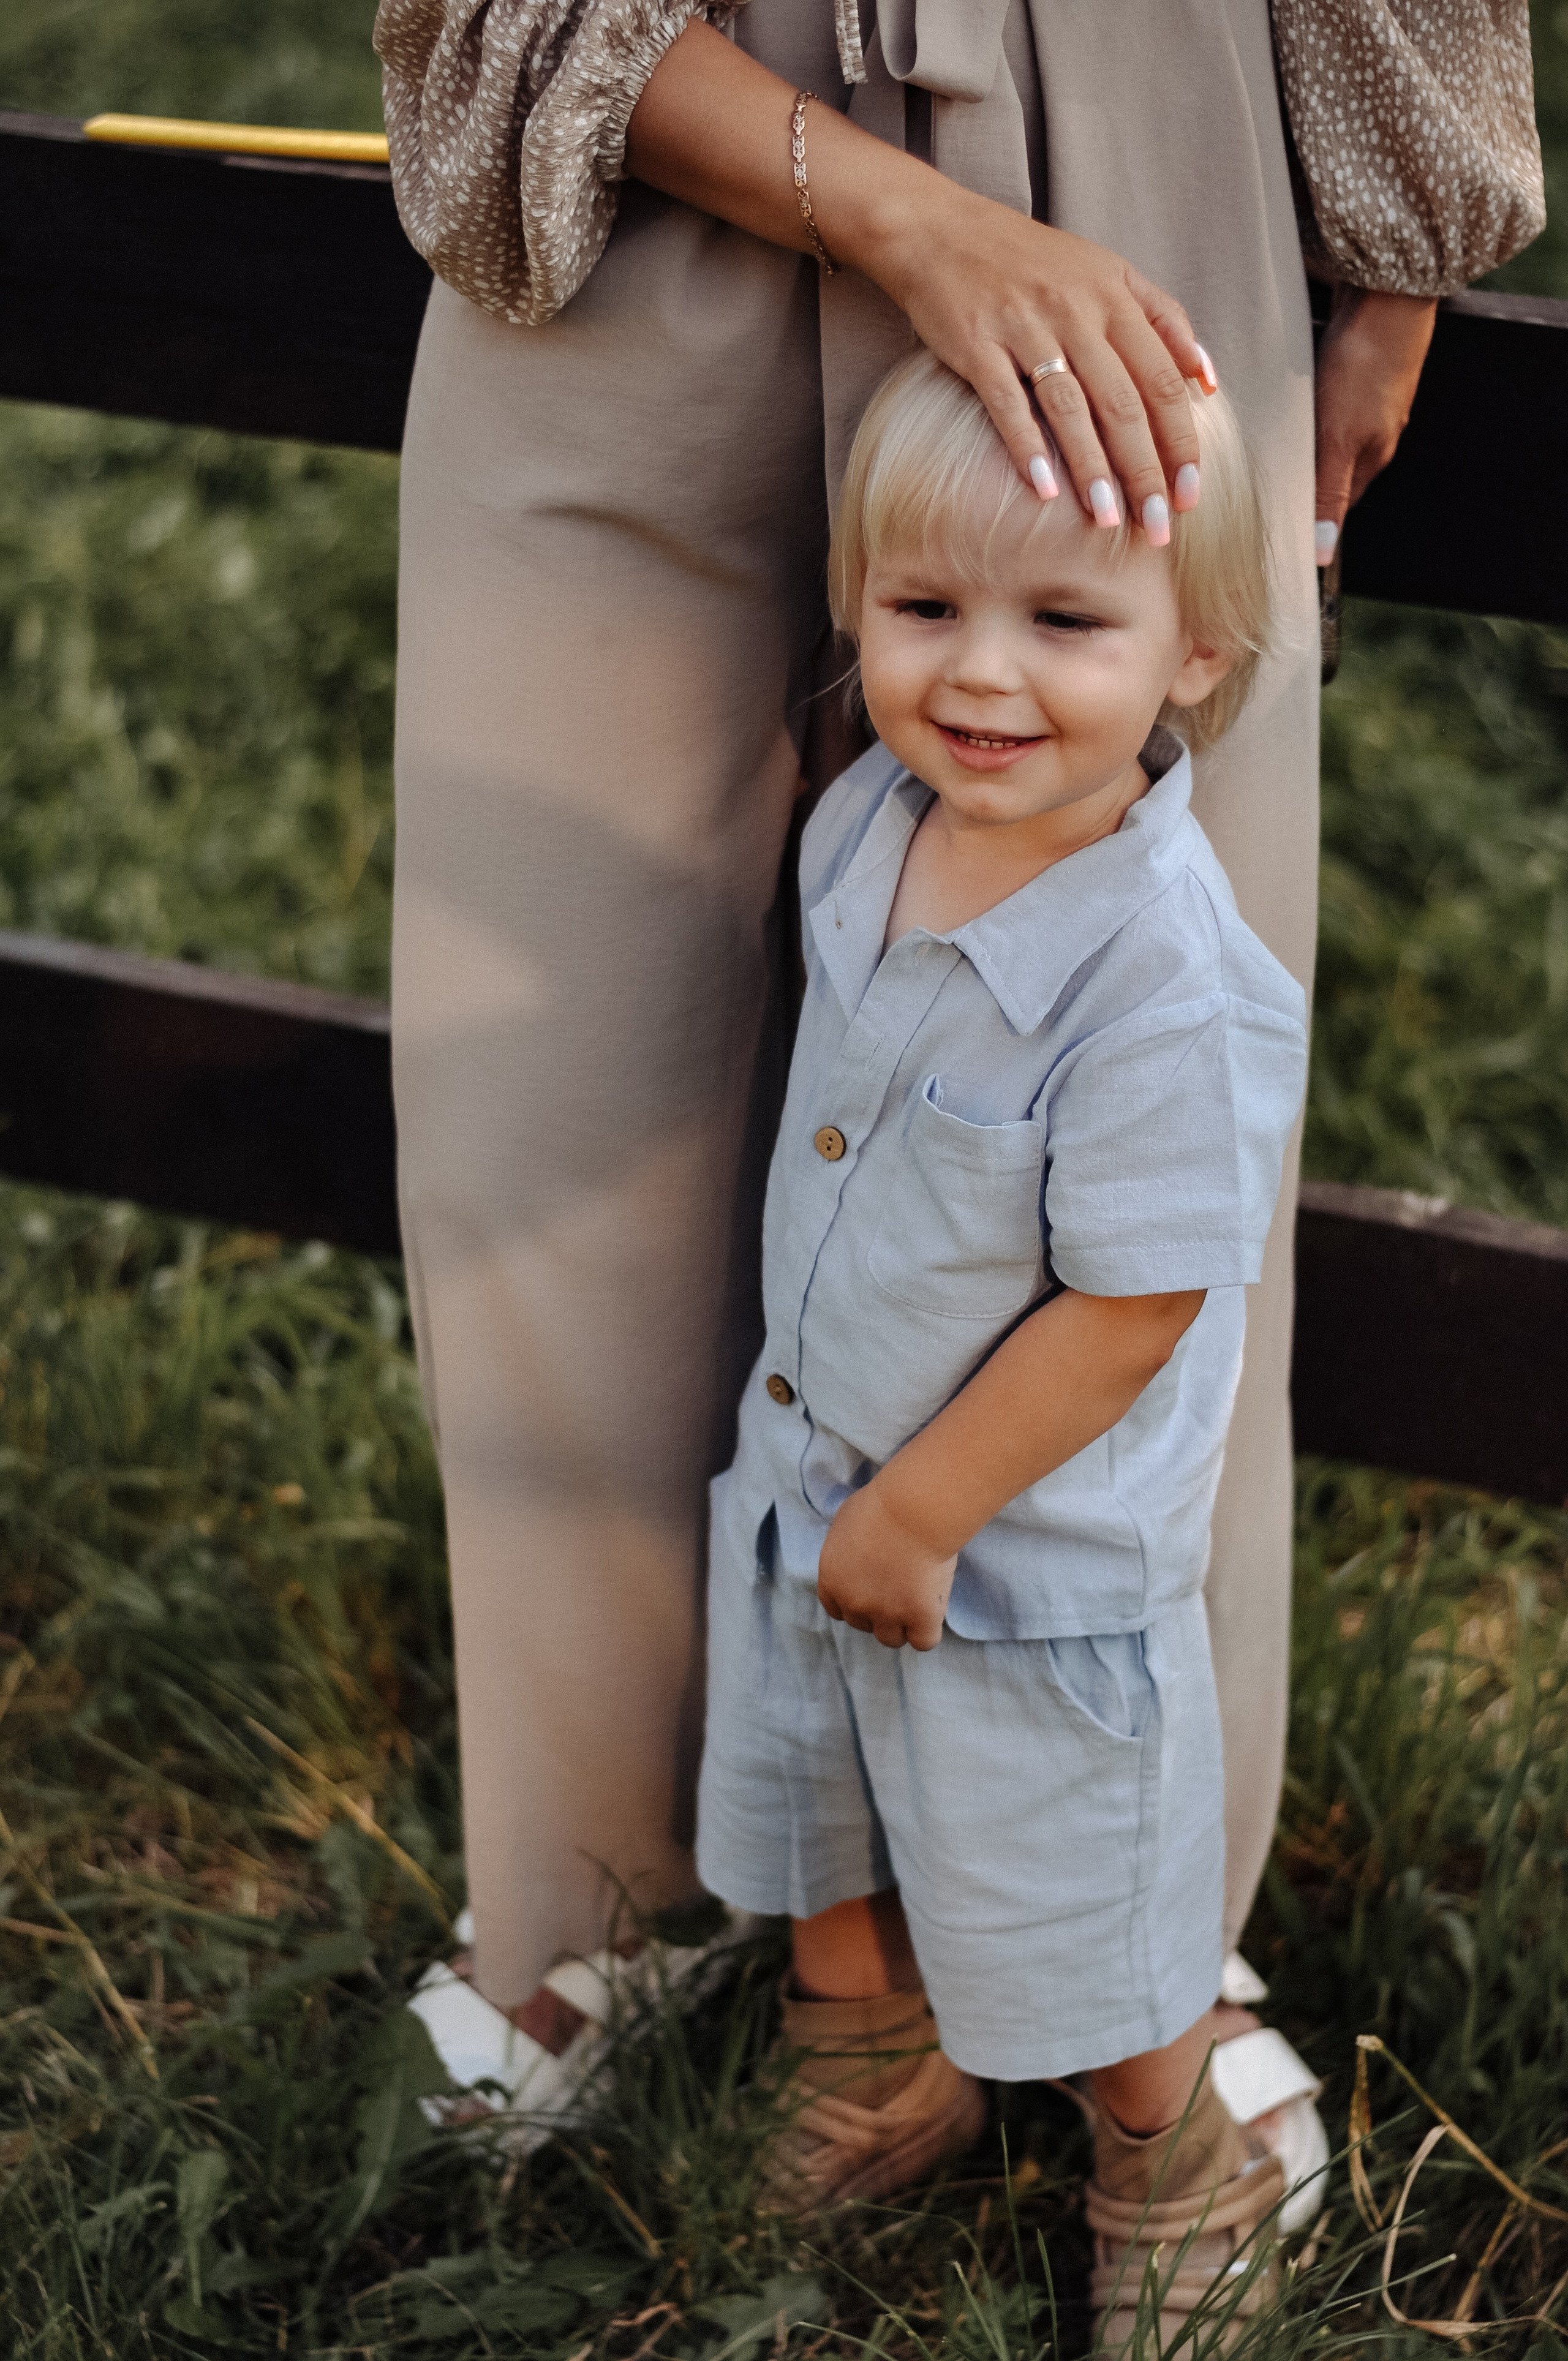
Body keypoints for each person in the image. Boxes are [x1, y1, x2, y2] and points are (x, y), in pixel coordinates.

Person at [373, 0, 1543, 2080]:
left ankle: (1140, 1933)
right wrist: (903, 220)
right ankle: (600, 1886)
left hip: (1147, 150)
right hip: (638, 152)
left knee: (1140, 1114)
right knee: (547, 1082)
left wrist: (1404, 252)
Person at [696, 350, 1304, 2332]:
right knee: (821, 1818)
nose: (979, 675)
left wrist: (930, 1509)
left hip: (1011, 1564)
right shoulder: (874, 820)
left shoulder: (1160, 980)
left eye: (1065, 620)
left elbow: (1133, 1307)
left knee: (1068, 1905)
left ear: (1197, 654)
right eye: (924, 608)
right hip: (815, 1472)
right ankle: (875, 2067)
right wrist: (854, 1504)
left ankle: (1170, 2166)